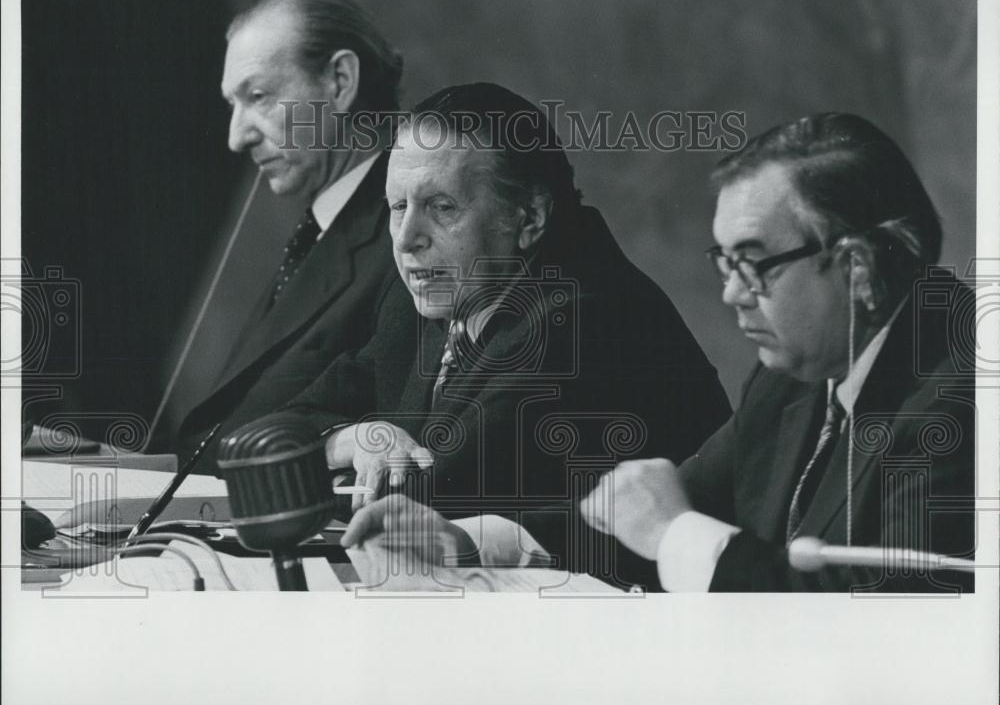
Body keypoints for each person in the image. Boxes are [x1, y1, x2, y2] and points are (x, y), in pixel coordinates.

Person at [345, 113, 976, 594]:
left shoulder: (962, 401)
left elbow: (883, 638)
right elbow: (661, 506)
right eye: (724, 263)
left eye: (754, 265)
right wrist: (475, 540)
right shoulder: (795, 376)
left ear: (858, 269)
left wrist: (677, 535)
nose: (731, 293)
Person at [272, 82, 732, 584]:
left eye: (442, 207)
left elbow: (418, 508)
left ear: (529, 218)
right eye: (398, 207)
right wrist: (352, 439)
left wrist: (332, 463)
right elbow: (268, 430)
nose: (406, 240)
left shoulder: (584, 316)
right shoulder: (433, 301)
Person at [169, 0, 402, 471]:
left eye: (258, 96)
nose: (237, 137)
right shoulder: (321, 231)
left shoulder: (407, 240)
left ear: (340, 80)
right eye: (234, 104)